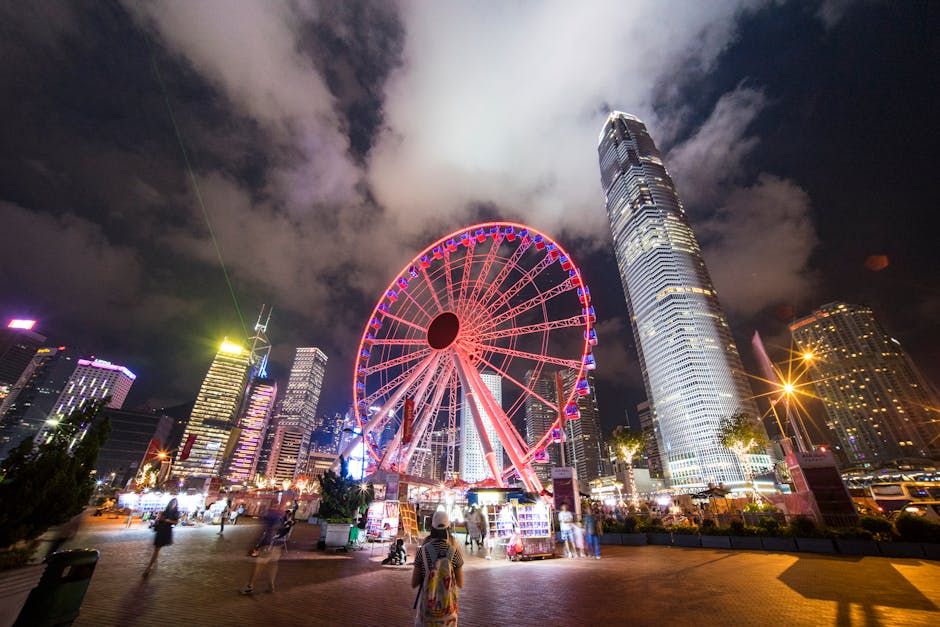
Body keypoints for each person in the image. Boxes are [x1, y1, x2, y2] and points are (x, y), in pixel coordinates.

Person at [412, 511, 463, 626]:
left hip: (427, 613)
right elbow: (460, 583)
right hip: (448, 615)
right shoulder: (454, 552)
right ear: (448, 527)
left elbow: (414, 583)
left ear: (432, 527)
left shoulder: (422, 551)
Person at [241, 509, 291, 594]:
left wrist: (256, 545)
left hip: (268, 544)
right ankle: (271, 585)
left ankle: (250, 586)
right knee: (273, 565)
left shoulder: (270, 514)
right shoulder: (282, 515)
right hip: (277, 544)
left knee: (258, 565)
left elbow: (264, 531)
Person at [143, 498, 179, 577]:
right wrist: (158, 518)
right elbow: (158, 520)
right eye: (172, 503)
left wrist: (167, 520)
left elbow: (176, 522)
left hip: (166, 532)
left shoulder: (176, 513)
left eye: (174, 503)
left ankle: (149, 568)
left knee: (156, 550)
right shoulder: (164, 511)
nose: (173, 504)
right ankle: (151, 565)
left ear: (176, 505)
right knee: (156, 550)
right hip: (160, 531)